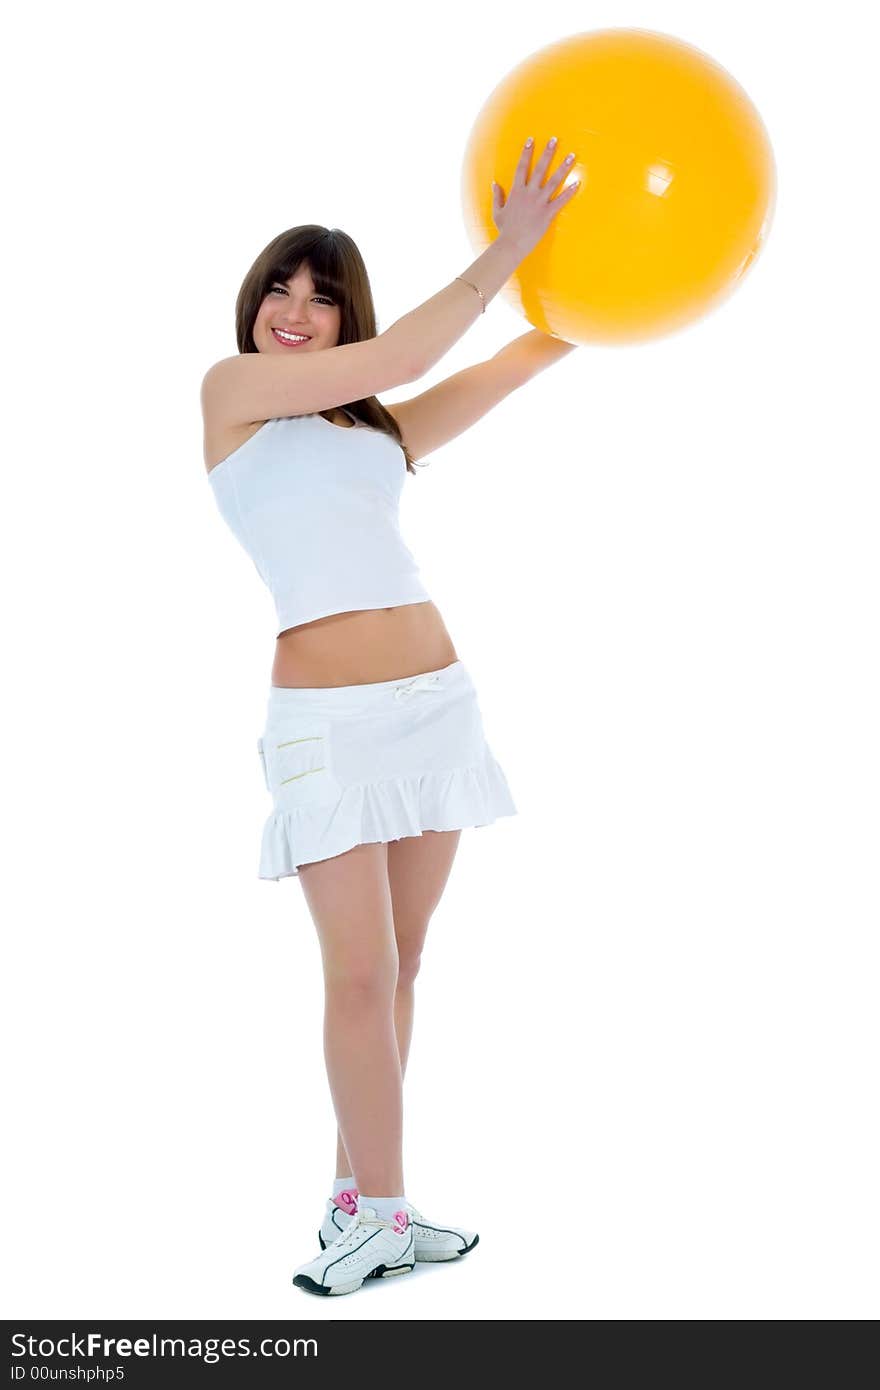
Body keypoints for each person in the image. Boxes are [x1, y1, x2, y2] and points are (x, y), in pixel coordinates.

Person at [201, 136, 579, 1297]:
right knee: (356, 977)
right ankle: (384, 1212)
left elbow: (512, 361)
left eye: (321, 294)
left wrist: (592, 288)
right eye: (281, 286)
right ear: (255, 305)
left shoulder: (376, 431)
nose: (296, 310)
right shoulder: (234, 397)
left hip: (434, 711)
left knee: (405, 965)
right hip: (326, 726)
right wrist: (499, 252)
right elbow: (415, 346)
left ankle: (362, 1206)